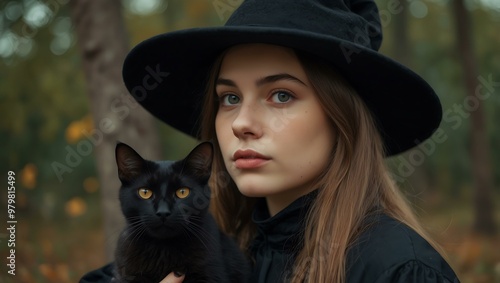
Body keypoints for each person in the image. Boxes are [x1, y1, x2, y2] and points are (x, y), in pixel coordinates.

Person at [81, 0, 460, 282]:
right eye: (229, 98)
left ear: (342, 118)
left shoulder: (397, 270)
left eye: (281, 95)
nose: (241, 124)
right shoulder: (224, 248)